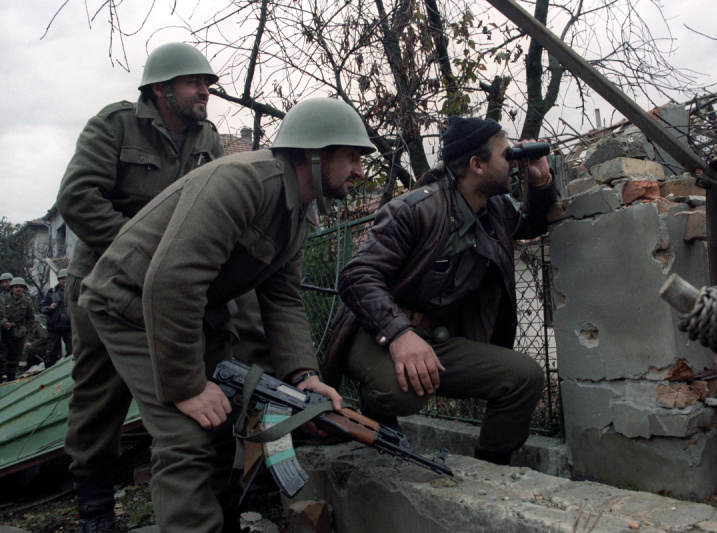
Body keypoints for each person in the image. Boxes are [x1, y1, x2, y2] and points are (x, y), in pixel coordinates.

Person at [77, 97, 373, 532]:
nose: (360, 171)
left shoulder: (297, 210)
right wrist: (188, 385)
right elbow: (172, 280)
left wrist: (302, 375)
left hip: (189, 311)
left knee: (227, 425)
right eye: (351, 156)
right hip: (130, 304)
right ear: (314, 152)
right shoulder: (244, 182)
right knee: (185, 435)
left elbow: (284, 297)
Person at [56, 42, 225, 532]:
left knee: (182, 379)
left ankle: (196, 494)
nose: (204, 92)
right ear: (161, 88)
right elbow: (78, 198)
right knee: (98, 392)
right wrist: (141, 249)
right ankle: (94, 507)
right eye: (194, 82)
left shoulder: (206, 140)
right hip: (102, 281)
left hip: (169, 287)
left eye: (207, 84)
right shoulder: (114, 125)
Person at [323, 115, 557, 466]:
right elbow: (357, 276)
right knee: (405, 390)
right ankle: (377, 413)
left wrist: (541, 181)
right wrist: (400, 335)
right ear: (476, 165)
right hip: (377, 332)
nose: (512, 162)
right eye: (505, 155)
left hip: (435, 337)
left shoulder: (493, 212)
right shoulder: (416, 209)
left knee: (523, 377)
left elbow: (533, 224)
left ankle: (490, 468)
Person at [1, 277, 35, 382]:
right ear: (11, 288)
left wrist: (25, 330)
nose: (19, 289)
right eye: (16, 287)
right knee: (1, 357)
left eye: (21, 287)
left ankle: (11, 378)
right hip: (4, 332)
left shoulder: (27, 301)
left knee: (15, 358)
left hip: (19, 333)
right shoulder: (4, 298)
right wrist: (4, 323)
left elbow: (31, 318)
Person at [39, 268, 72, 367]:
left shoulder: (74, 291)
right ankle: (49, 372)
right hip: (54, 326)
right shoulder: (51, 293)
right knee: (52, 352)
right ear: (59, 280)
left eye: (66, 278)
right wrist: (49, 307)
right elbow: (41, 308)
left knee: (72, 351)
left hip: (69, 326)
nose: (64, 280)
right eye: (62, 278)